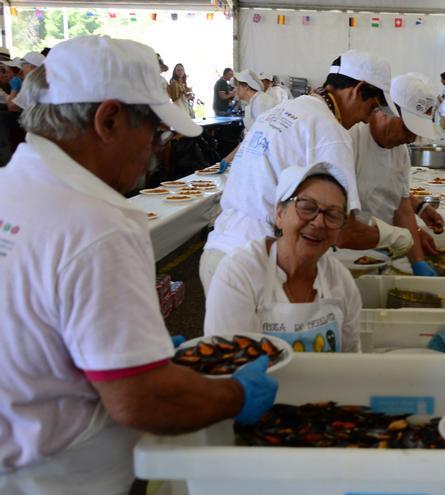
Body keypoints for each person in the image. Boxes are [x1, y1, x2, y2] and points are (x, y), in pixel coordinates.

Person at [0, 35, 277, 494]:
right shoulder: (99, 223)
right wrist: (236, 395)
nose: (154, 149)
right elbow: (142, 400)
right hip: (67, 475)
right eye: (153, 130)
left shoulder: (13, 186)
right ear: (108, 119)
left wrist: (121, 343)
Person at [200, 49, 408, 293]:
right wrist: (394, 236)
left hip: (219, 252)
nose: (365, 119)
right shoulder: (331, 132)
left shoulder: (283, 111)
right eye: (371, 107)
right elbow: (342, 231)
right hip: (256, 269)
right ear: (357, 90)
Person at [206, 163, 361, 352]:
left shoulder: (340, 280)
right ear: (280, 213)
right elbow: (226, 360)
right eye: (306, 206)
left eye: (333, 215)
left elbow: (350, 358)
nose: (319, 222)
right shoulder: (239, 272)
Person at [343, 72, 445, 276]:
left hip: (379, 253)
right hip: (345, 258)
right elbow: (342, 223)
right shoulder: (350, 140)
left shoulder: (400, 152)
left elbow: (402, 209)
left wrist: (418, 262)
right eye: (408, 127)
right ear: (384, 110)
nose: (412, 137)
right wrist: (401, 236)